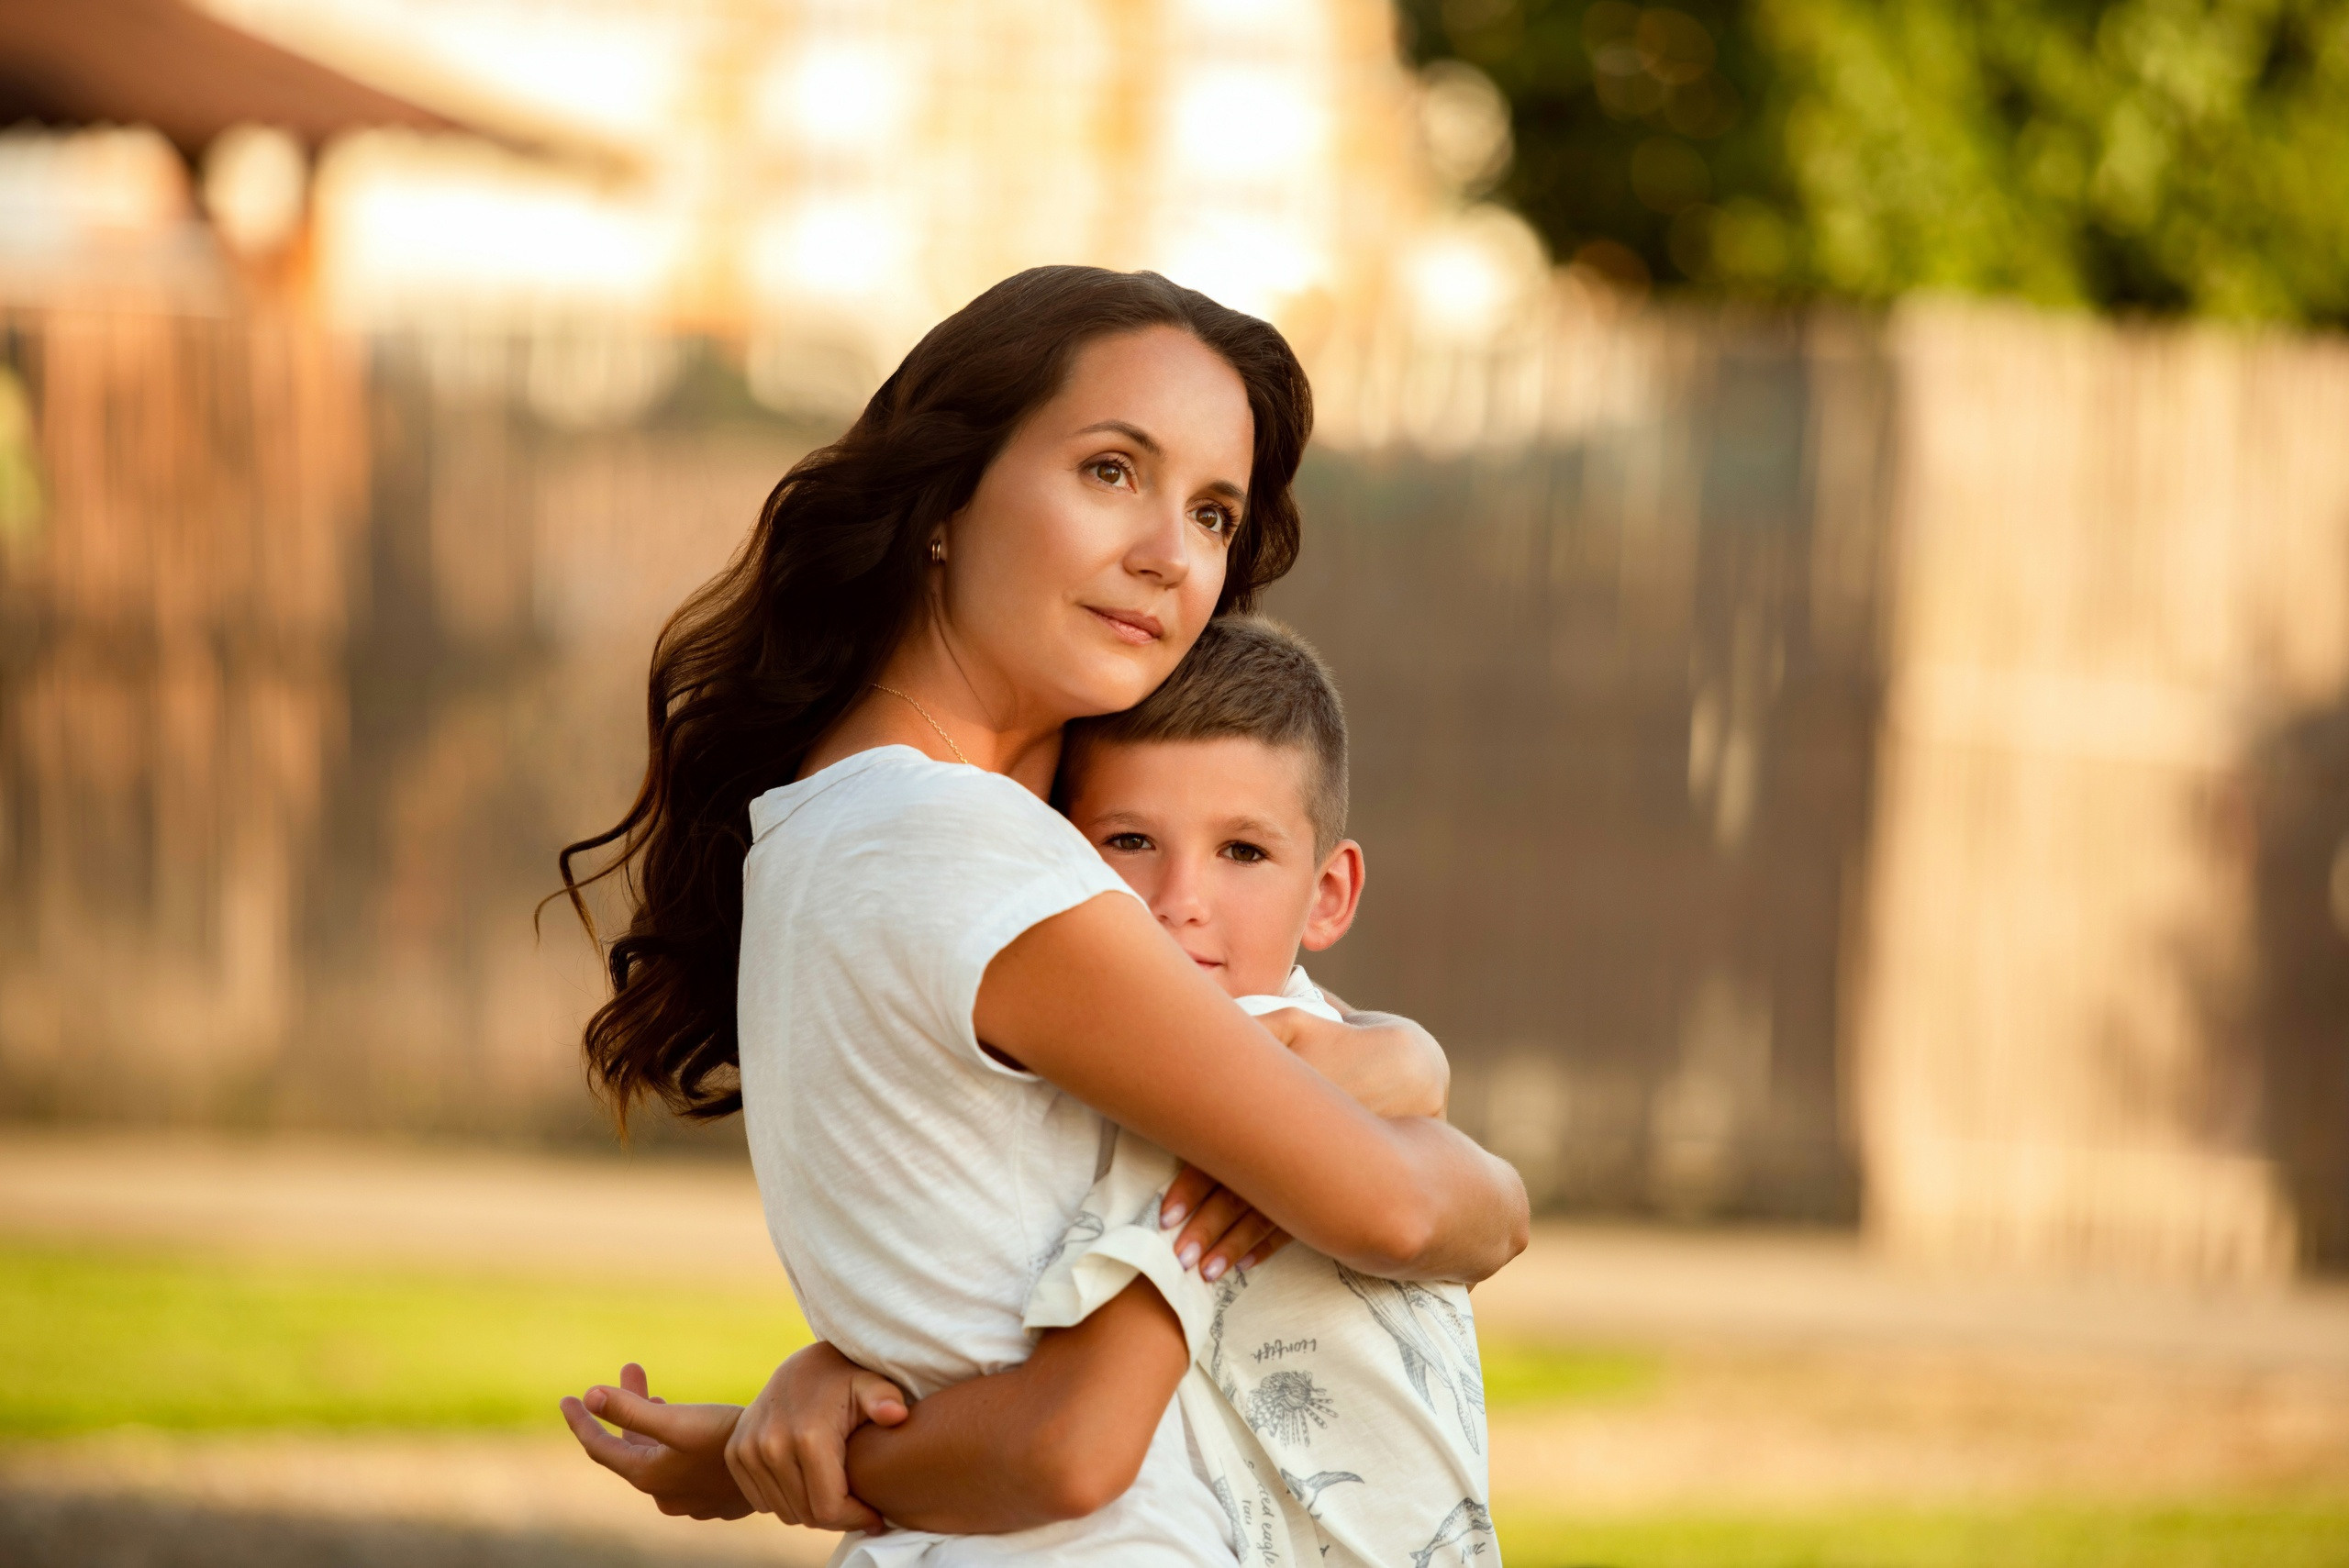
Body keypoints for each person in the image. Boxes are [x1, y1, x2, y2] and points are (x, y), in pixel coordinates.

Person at [556, 266, 1529, 1565]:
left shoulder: (870, 829)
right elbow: (1415, 1213)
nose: (1169, 554)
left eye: (1212, 512)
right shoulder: (968, 853)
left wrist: (1395, 1069)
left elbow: (1383, 1122)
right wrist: (1367, 1110)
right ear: (944, 496)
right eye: (1111, 471)